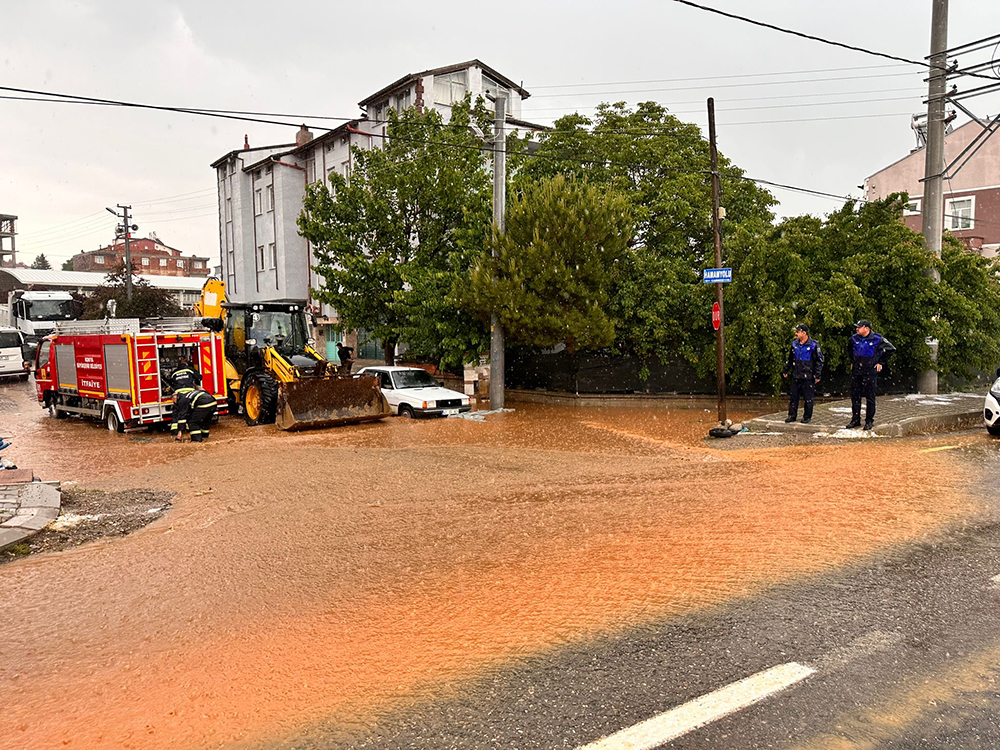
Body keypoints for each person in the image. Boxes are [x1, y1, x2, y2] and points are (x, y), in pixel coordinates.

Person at [846, 319, 889, 431]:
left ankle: (869, 421)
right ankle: (855, 419)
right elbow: (849, 349)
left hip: (870, 371)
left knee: (870, 397)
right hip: (857, 371)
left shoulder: (877, 339)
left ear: (866, 328)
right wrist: (853, 361)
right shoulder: (854, 338)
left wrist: (881, 362)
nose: (857, 329)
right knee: (855, 396)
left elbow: (890, 349)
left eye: (859, 327)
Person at [783, 323, 824, 423]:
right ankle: (792, 415)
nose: (796, 334)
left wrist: (817, 375)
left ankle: (807, 416)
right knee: (793, 397)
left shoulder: (813, 345)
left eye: (798, 332)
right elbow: (790, 358)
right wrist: (786, 369)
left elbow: (819, 361)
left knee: (808, 398)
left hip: (808, 375)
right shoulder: (794, 344)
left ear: (804, 333)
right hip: (796, 374)